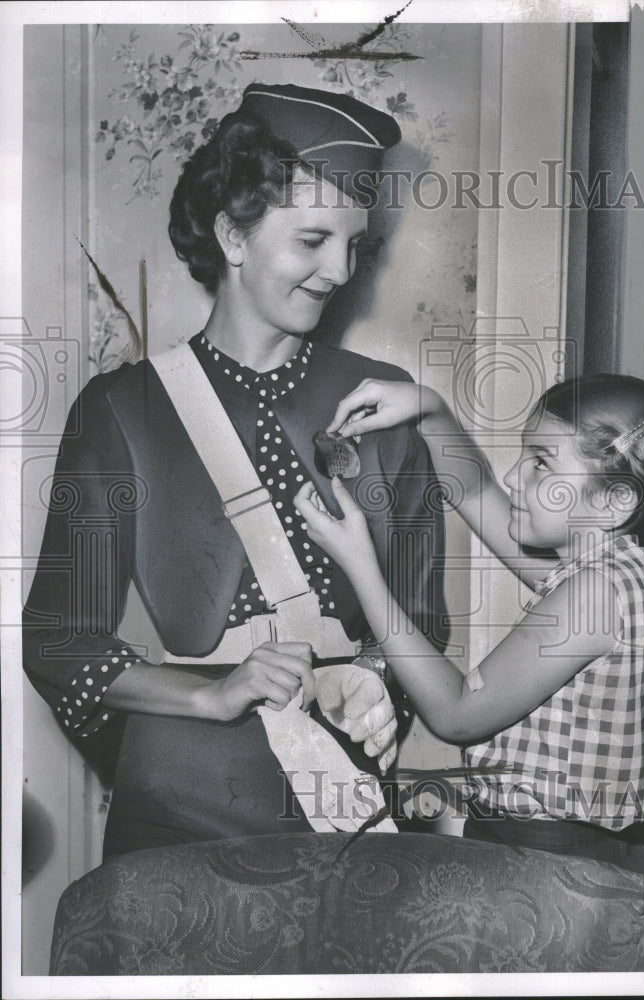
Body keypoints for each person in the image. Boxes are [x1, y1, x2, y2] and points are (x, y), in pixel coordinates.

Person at [22, 83, 449, 857]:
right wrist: (212, 695)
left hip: (340, 805)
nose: (339, 270)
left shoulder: (383, 406)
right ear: (233, 234)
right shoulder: (122, 410)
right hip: (176, 808)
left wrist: (379, 685)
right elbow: (57, 640)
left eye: (356, 245)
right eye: (313, 239)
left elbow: (422, 614)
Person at [295, 372, 644, 934]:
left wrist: (362, 565)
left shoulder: (594, 595)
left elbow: (456, 713)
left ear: (615, 500)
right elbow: (478, 489)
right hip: (554, 860)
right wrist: (430, 409)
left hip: (550, 881)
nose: (515, 475)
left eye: (541, 464)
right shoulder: (608, 567)